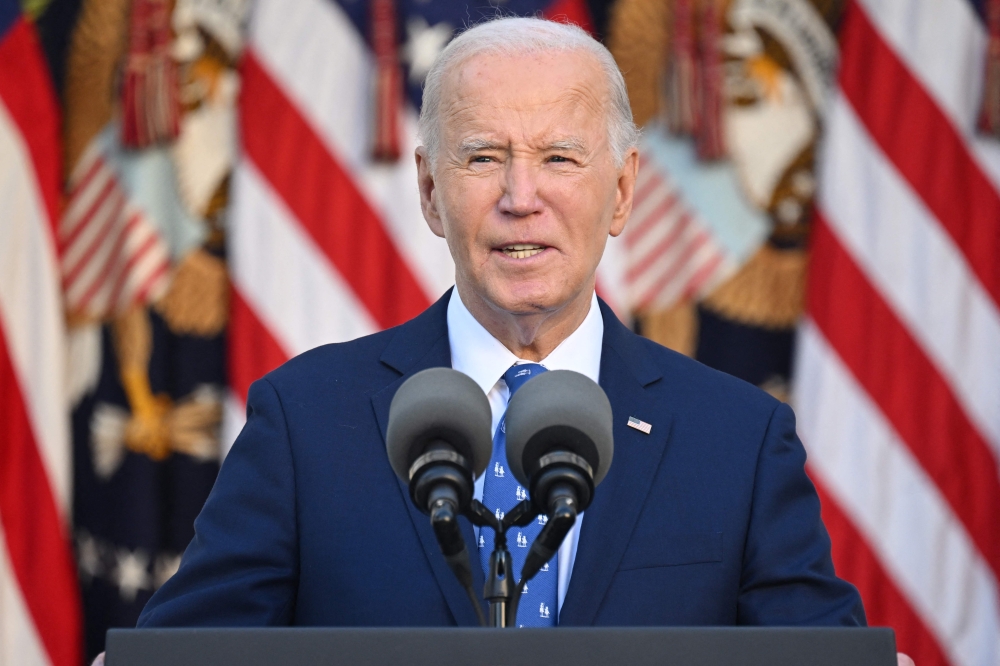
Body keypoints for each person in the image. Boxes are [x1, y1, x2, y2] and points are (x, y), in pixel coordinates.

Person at [128, 16, 903, 653]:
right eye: (483, 158)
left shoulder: (736, 438)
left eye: (560, 157)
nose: (520, 197)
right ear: (431, 192)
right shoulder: (306, 419)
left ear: (624, 189)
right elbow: (193, 647)